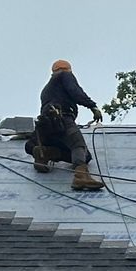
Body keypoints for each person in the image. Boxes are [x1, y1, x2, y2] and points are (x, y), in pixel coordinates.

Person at [27, 59, 105, 192]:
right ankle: (81, 177)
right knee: (78, 145)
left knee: (86, 157)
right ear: (68, 70)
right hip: (62, 118)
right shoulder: (64, 75)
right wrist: (92, 106)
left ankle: (46, 153)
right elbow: (75, 91)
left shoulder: (46, 89)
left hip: (46, 127)